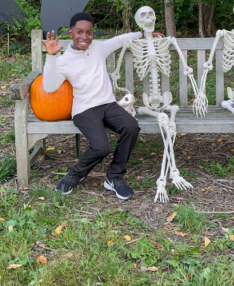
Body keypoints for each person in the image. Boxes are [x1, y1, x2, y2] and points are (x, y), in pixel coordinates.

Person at [45, 12, 161, 199]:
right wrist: (50, 57)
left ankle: (114, 177)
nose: (84, 36)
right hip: (84, 109)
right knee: (101, 147)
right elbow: (49, 87)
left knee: (131, 126)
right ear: (70, 33)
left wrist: (143, 34)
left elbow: (119, 40)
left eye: (89, 32)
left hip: (107, 104)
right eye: (79, 32)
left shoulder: (98, 47)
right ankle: (75, 174)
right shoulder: (63, 61)